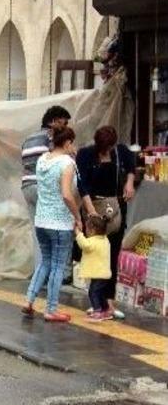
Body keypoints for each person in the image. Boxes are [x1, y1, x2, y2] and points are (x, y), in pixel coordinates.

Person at [21, 127, 81, 322]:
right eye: (72, 142)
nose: (73, 146)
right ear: (67, 143)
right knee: (57, 265)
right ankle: (51, 309)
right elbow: (66, 194)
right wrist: (77, 216)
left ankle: (29, 300)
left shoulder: (42, 160)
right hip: (59, 222)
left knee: (45, 261)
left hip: (41, 219)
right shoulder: (67, 163)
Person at [76, 125, 136, 314]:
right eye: (103, 148)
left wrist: (129, 182)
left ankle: (108, 301)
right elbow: (82, 184)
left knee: (113, 253)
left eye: (109, 148)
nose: (106, 152)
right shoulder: (85, 154)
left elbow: (132, 166)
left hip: (115, 209)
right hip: (93, 207)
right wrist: (92, 213)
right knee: (95, 253)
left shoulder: (121, 152)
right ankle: (97, 300)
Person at [21, 105, 71, 278]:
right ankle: (60, 273)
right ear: (52, 122)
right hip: (43, 188)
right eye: (62, 124)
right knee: (57, 229)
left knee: (38, 234)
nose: (64, 128)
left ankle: (40, 273)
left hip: (27, 187)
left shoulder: (28, 138)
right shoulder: (51, 137)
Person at [76, 214, 113, 321]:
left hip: (98, 274)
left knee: (93, 292)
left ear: (92, 230)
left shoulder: (93, 241)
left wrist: (78, 233)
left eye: (87, 228)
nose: (86, 231)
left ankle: (97, 311)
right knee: (100, 293)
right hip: (104, 273)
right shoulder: (105, 240)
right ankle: (106, 310)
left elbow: (85, 245)